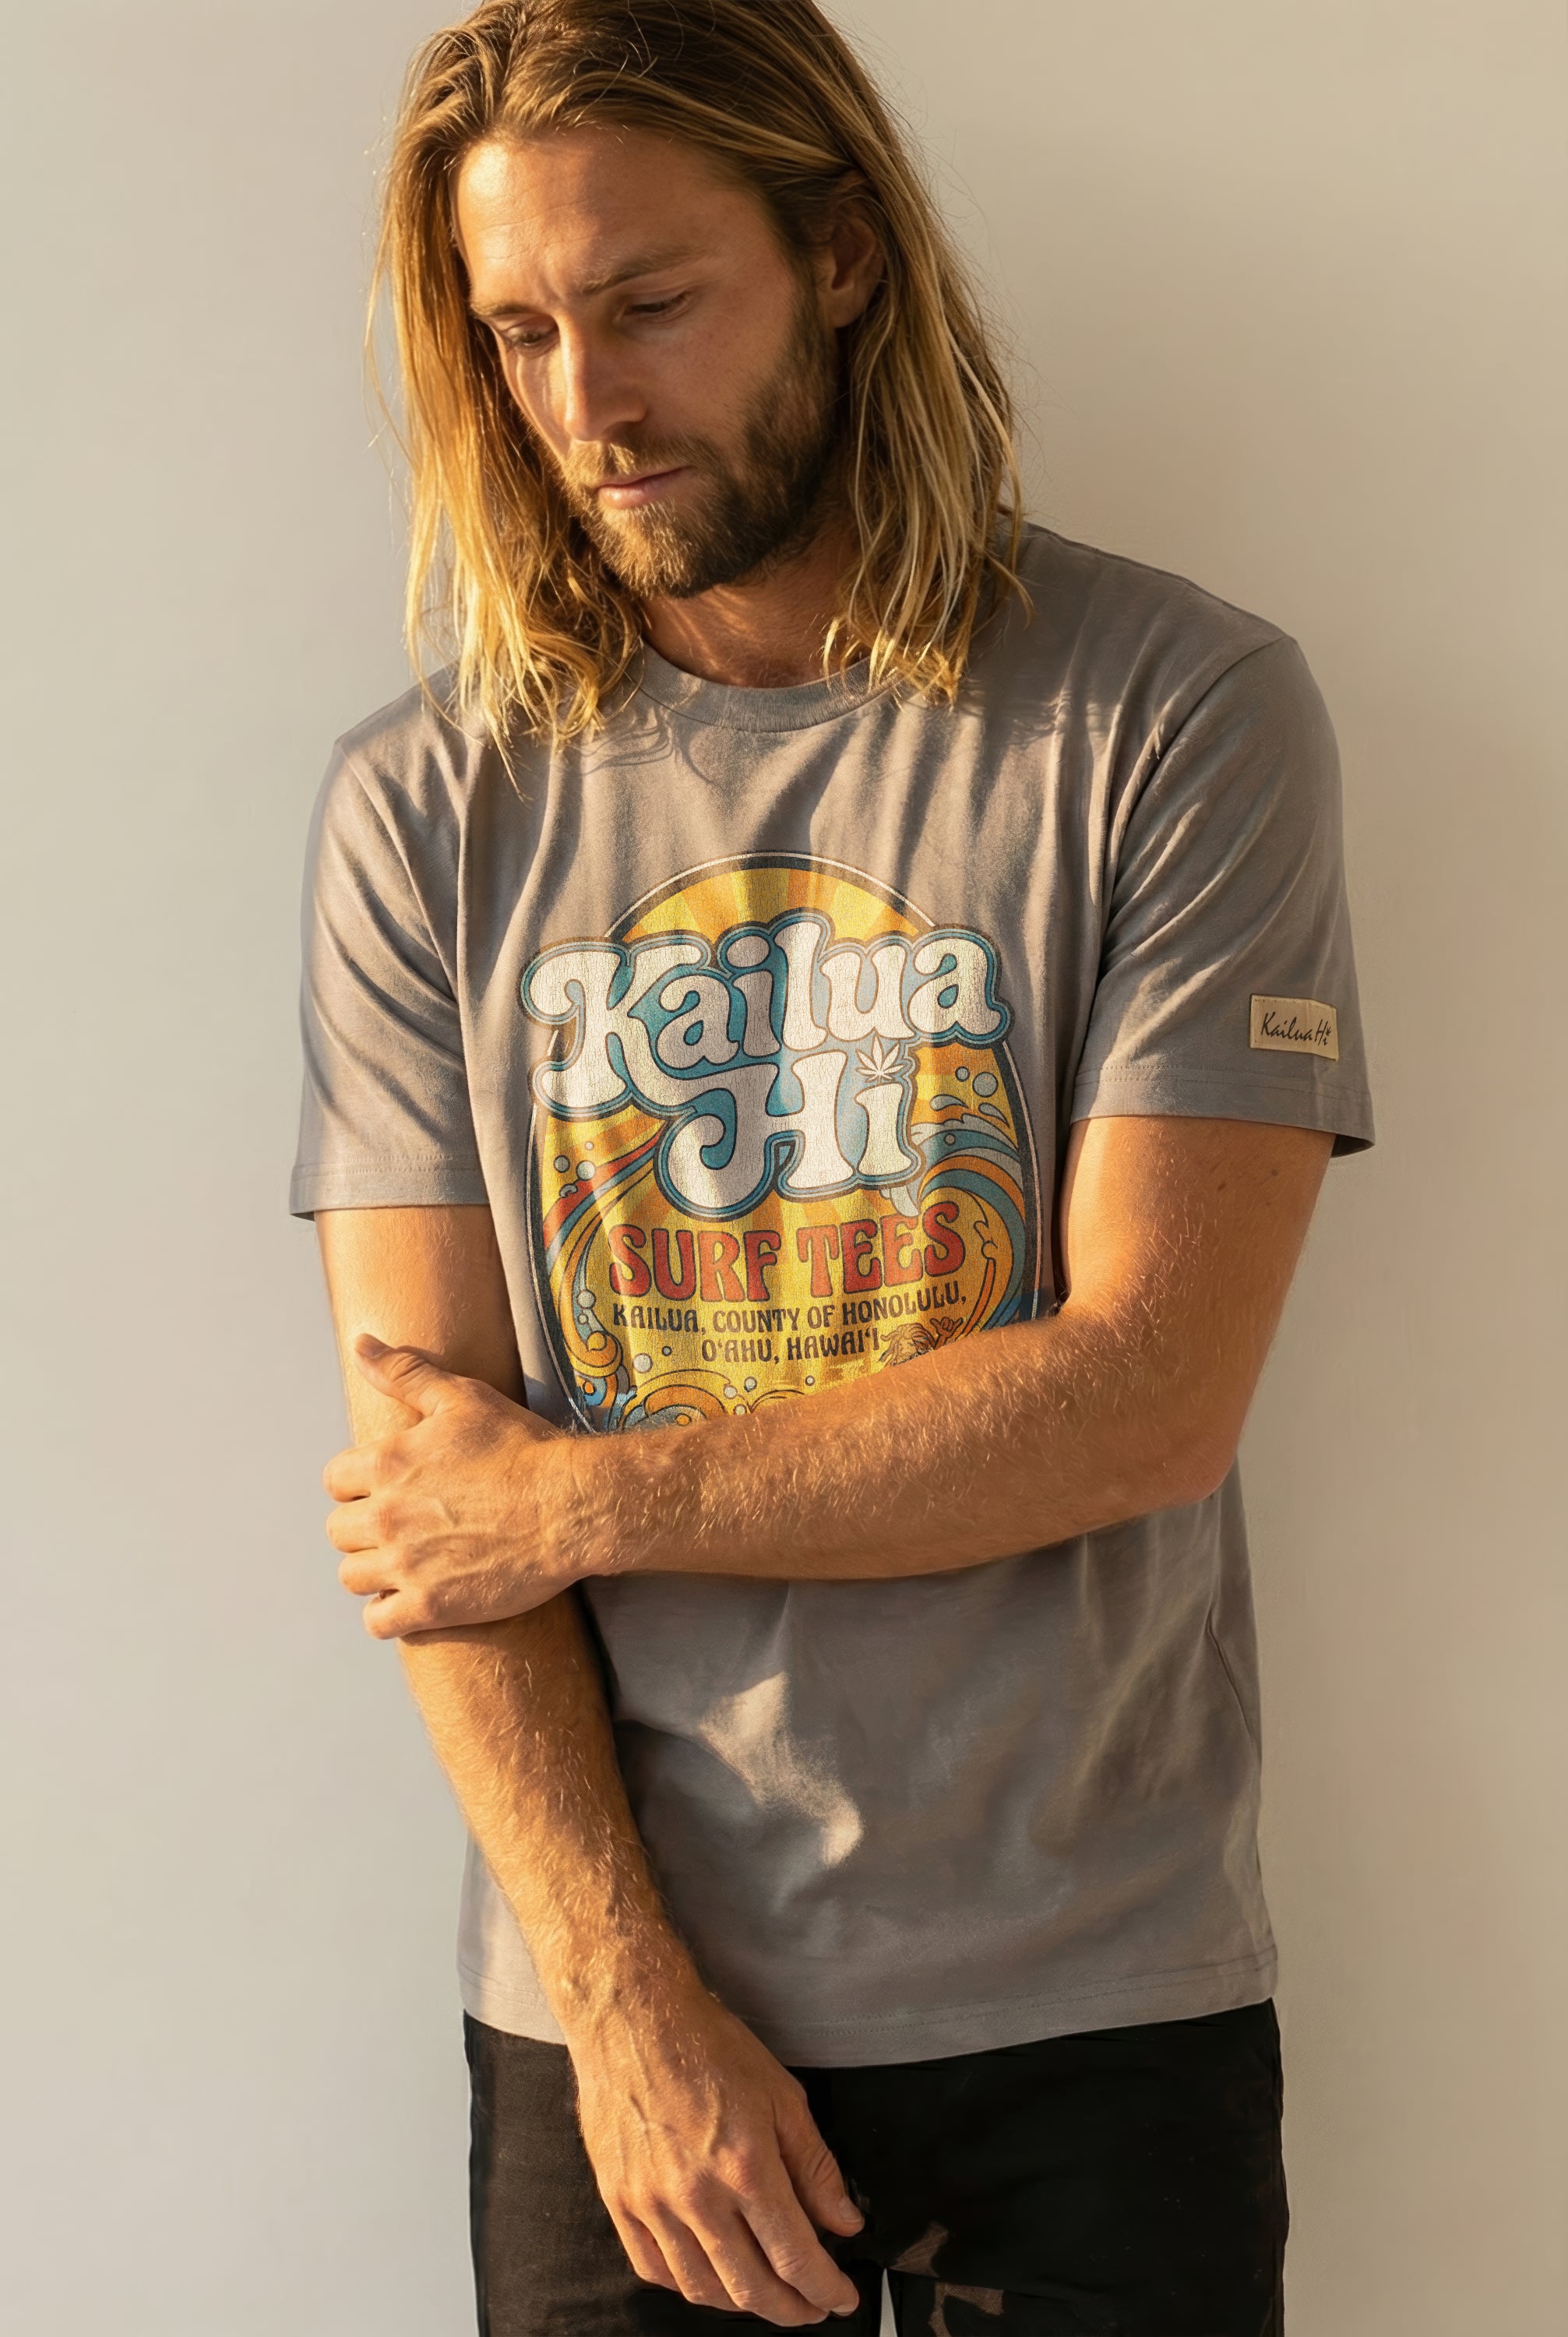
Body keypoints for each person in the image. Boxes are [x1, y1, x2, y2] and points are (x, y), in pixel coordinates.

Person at [291, 4, 1373, 2330]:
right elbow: (428, 1493)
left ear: (845, 255)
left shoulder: (1170, 717)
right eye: (520, 333)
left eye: (650, 301)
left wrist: (574, 1500)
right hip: (616, 2018)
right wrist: (624, 2003)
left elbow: (1150, 1394)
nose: (587, 402)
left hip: (1094, 2001)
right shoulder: (425, 808)